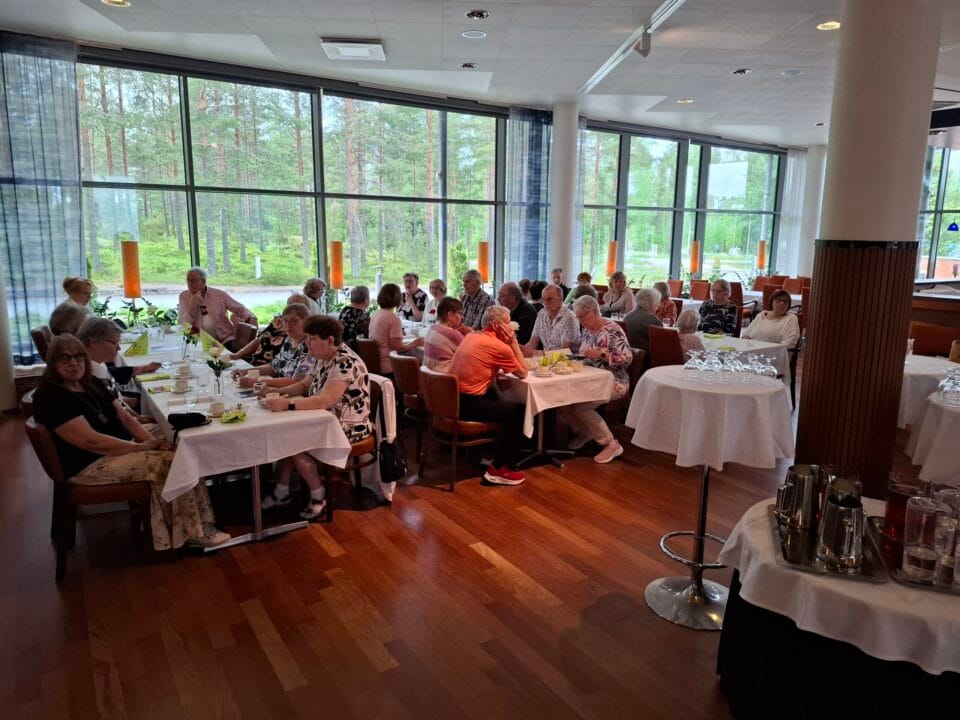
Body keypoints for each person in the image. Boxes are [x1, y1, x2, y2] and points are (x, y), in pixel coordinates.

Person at [32, 335, 230, 549]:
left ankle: (198, 520)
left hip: (117, 444)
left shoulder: (90, 383)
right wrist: (140, 447)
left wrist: (153, 441)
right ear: (52, 362)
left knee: (180, 438)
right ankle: (194, 531)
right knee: (172, 461)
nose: (74, 363)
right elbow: (91, 441)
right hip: (90, 464)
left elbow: (126, 418)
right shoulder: (51, 396)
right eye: (65, 358)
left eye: (78, 357)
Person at [261, 316, 373, 520]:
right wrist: (276, 393)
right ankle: (282, 490)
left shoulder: (345, 362)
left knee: (290, 439)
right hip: (323, 419)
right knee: (285, 432)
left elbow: (325, 400)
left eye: (312, 339)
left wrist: (287, 404)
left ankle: (317, 494)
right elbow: (304, 385)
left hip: (348, 427)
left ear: (330, 340)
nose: (307, 343)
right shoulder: (322, 357)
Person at [448, 306, 528, 485]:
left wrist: (497, 374)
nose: (510, 328)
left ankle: (491, 454)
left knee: (499, 399)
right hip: (468, 404)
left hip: (451, 400)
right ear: (496, 325)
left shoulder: (471, 336)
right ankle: (500, 468)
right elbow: (523, 372)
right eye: (508, 324)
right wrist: (513, 342)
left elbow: (481, 363)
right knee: (519, 410)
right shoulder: (500, 346)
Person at [561, 296, 629, 464]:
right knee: (562, 399)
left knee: (581, 407)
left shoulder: (613, 330)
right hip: (588, 378)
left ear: (593, 311)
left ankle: (611, 444)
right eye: (578, 317)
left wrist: (603, 354)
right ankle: (584, 432)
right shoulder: (586, 331)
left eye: (582, 316)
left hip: (613, 380)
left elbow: (627, 359)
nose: (580, 321)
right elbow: (583, 355)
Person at [233, 304, 314, 390]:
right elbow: (274, 367)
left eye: (294, 321)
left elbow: (297, 382)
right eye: (285, 321)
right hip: (278, 388)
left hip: (293, 392)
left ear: (306, 321)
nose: (288, 325)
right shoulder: (289, 340)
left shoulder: (309, 346)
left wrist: (257, 382)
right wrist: (245, 371)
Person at [178, 267, 256, 350]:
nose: (190, 283)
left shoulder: (219, 295)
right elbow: (184, 323)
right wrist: (193, 305)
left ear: (203, 281)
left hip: (225, 339)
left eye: (193, 280)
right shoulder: (184, 296)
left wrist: (252, 317)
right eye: (188, 280)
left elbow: (239, 309)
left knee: (232, 353)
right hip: (201, 342)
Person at [230, 293, 311, 365]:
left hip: (271, 366)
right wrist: (238, 354)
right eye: (290, 304)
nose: (293, 308)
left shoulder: (303, 336)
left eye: (299, 306)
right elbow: (259, 339)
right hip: (256, 360)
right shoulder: (278, 321)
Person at [369, 283, 424, 375]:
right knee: (422, 362)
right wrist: (415, 343)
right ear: (397, 298)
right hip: (388, 364)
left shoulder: (375, 314)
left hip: (375, 362)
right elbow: (398, 347)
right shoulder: (393, 318)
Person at [522, 284, 580, 356]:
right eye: (543, 299)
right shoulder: (541, 314)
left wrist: (536, 353)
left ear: (561, 298)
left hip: (567, 361)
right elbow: (533, 343)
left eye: (549, 299)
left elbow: (564, 353)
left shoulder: (570, 318)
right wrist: (522, 350)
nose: (545, 303)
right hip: (545, 360)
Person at [423, 297, 466, 372]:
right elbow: (469, 353)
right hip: (443, 377)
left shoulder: (432, 327)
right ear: (450, 315)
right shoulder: (452, 333)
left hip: (427, 375)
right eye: (460, 313)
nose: (462, 317)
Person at [622, 288, 663, 354]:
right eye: (657, 304)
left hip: (627, 353)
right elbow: (661, 344)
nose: (658, 306)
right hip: (645, 356)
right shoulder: (653, 320)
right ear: (651, 304)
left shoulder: (628, 316)